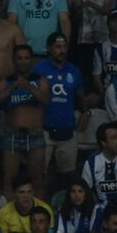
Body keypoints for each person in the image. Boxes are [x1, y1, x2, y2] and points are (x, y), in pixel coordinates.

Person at [0, 44, 50, 198]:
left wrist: (29, 87)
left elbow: (45, 100)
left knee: (37, 179)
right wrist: (13, 87)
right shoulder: (6, 82)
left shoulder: (40, 81)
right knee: (8, 179)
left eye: (26, 58)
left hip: (35, 136)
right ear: (14, 61)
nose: (23, 62)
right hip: (12, 136)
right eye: (19, 58)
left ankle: (39, 217)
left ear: (31, 60)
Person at [34, 33, 86, 180]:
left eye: (64, 47)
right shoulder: (38, 70)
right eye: (57, 47)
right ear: (48, 48)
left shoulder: (75, 71)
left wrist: (86, 113)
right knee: (39, 175)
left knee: (68, 178)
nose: (61, 51)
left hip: (68, 132)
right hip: (44, 133)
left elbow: (81, 99)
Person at [7, 0, 71, 58]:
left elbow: (64, 22)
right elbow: (10, 24)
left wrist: (64, 49)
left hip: (51, 53)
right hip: (25, 54)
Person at [81, 123, 117, 204]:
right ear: (103, 143)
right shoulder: (91, 163)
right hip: (101, 210)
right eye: (114, 138)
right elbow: (85, 190)